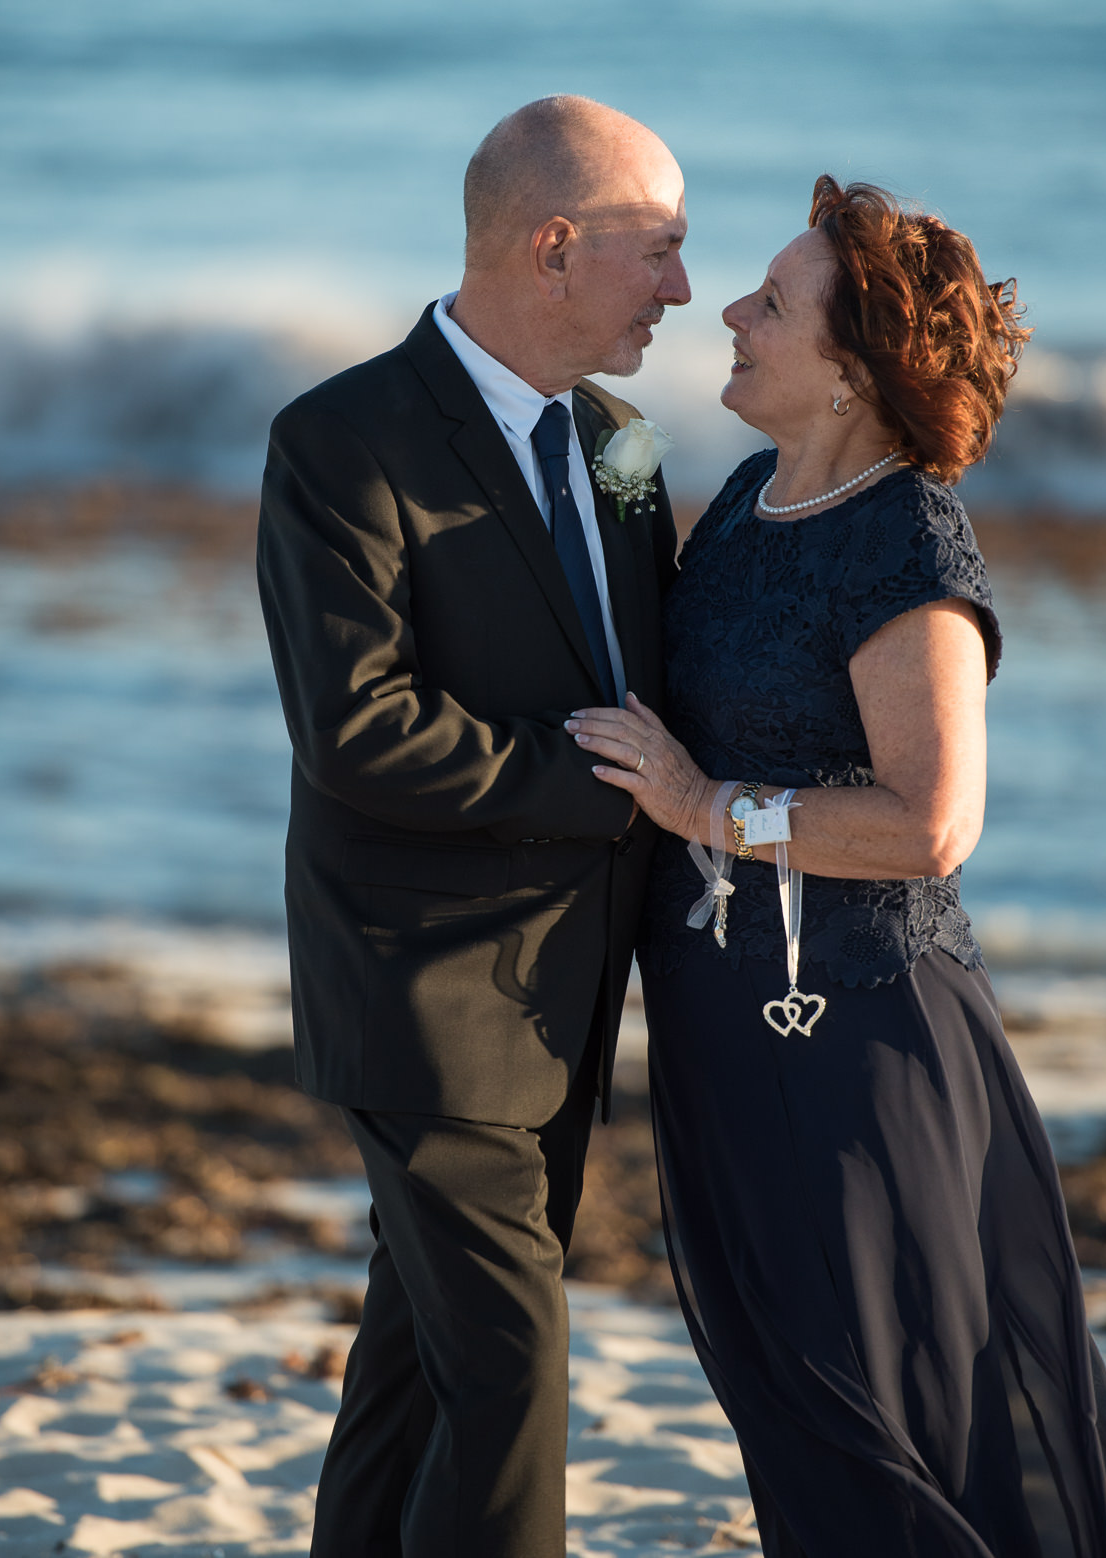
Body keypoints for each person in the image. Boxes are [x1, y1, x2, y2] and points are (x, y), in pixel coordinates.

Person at [567, 177, 1106, 1556]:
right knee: (789, 1401)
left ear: (856, 371)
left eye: (775, 301)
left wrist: (708, 806)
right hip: (721, 1032)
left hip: (856, 1043)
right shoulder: (754, 496)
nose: (733, 314)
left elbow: (932, 821)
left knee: (883, 1418)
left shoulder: (908, 539)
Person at [256, 94, 689, 1558]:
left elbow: (653, 672)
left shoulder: (623, 445)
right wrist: (607, 788)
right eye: (661, 249)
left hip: (570, 990)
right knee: (512, 1364)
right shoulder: (339, 441)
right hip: (423, 986)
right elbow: (357, 727)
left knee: (419, 1363)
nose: (683, 290)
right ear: (554, 245)